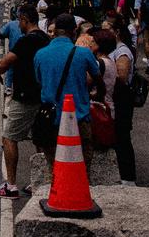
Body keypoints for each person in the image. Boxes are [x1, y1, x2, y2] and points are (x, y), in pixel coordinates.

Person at [0, 2, 50, 198]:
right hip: (43, 96)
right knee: (40, 139)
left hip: (25, 96)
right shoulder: (46, 39)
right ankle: (41, 182)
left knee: (9, 137)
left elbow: (5, 62)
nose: (18, 25)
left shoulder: (26, 41)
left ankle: (11, 185)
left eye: (19, 21)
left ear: (24, 20)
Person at [35, 13, 102, 171]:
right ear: (74, 31)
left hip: (51, 120)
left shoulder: (40, 55)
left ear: (55, 31)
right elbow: (99, 80)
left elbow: (40, 82)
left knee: (56, 169)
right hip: (79, 120)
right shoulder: (84, 54)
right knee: (82, 169)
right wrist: (95, 94)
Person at [94, 25, 138, 186]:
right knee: (117, 139)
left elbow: (122, 77)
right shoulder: (109, 57)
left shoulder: (121, 52)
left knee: (121, 139)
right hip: (114, 101)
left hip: (120, 102)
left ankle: (128, 177)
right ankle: (123, 175)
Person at [0, 11, 25, 96]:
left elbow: (2, 33)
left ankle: (8, 87)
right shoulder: (31, 26)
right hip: (26, 53)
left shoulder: (11, 24)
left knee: (10, 67)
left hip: (14, 52)